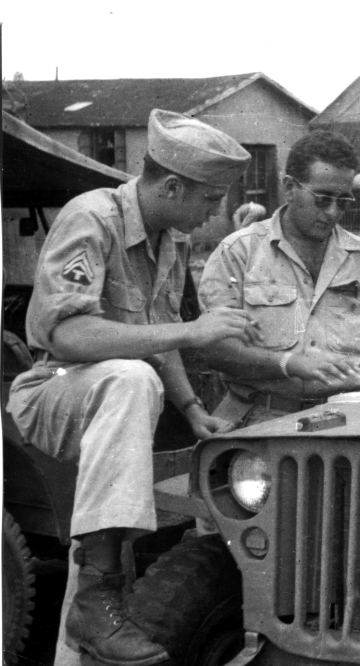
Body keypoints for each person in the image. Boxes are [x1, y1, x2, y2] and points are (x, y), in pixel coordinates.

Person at [5, 109, 258, 666]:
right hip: (53, 389)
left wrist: (192, 409)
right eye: (209, 199)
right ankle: (99, 595)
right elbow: (66, 333)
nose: (215, 211)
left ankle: (95, 600)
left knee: (105, 536)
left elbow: (154, 336)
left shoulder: (173, 241)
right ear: (170, 185)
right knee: (129, 376)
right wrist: (192, 329)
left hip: (114, 399)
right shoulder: (90, 217)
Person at [198, 132, 360, 427]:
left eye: (343, 202)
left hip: (348, 421)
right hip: (260, 418)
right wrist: (288, 363)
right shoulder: (238, 253)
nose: (332, 213)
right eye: (322, 199)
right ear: (290, 187)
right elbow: (213, 349)